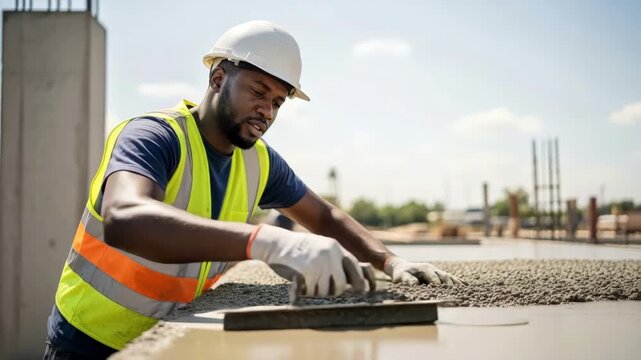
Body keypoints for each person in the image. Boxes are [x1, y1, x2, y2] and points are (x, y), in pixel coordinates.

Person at [44, 20, 463, 359]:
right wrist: (267, 242)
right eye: (258, 92)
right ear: (218, 77)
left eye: (278, 101)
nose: (267, 111)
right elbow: (125, 219)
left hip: (175, 339)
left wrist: (389, 261)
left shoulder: (257, 160)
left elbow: (324, 216)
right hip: (89, 343)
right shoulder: (154, 136)